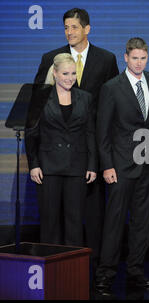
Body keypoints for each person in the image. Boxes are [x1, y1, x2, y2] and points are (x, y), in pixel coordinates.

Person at [34, 8, 119, 273]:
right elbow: (36, 111)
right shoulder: (51, 58)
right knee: (53, 217)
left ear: (87, 29)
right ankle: (53, 269)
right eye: (66, 28)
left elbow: (111, 104)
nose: (69, 32)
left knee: (89, 216)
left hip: (89, 152)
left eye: (74, 27)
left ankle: (88, 269)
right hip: (53, 154)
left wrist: (99, 158)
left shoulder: (106, 59)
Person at [95, 38, 149, 296]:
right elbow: (103, 131)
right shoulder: (112, 87)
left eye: (143, 58)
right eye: (135, 58)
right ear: (125, 58)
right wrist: (107, 166)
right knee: (114, 222)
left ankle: (135, 270)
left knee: (142, 223)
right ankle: (105, 273)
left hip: (146, 166)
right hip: (120, 167)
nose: (139, 63)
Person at [25, 53, 97, 246]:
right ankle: (51, 270)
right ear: (55, 73)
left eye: (73, 73)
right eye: (65, 73)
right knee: (50, 223)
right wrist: (34, 165)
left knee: (74, 222)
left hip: (77, 167)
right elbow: (31, 133)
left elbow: (90, 132)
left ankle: (72, 272)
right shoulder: (40, 97)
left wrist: (92, 165)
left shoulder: (85, 98)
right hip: (48, 168)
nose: (70, 78)